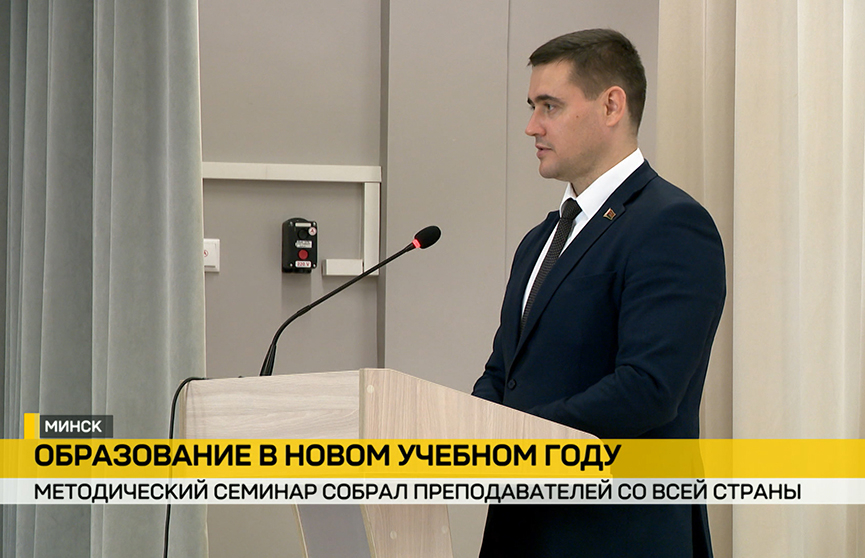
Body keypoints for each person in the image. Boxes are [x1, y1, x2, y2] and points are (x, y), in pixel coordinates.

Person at [471, 29, 725, 558]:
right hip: (520, 532)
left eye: (550, 106)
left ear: (612, 105)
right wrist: (467, 431)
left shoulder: (672, 224)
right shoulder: (539, 240)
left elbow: (648, 389)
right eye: (532, 107)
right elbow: (502, 374)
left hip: (616, 536)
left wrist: (515, 440)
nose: (532, 126)